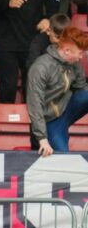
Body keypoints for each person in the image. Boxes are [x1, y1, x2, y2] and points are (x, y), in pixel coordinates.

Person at [27, 27, 88, 156]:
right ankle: (55, 135)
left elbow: (82, 88)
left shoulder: (73, 61)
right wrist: (42, 138)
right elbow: (34, 105)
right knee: (63, 157)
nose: (81, 57)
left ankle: (61, 131)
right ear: (66, 51)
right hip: (49, 119)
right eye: (80, 53)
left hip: (66, 109)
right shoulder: (40, 68)